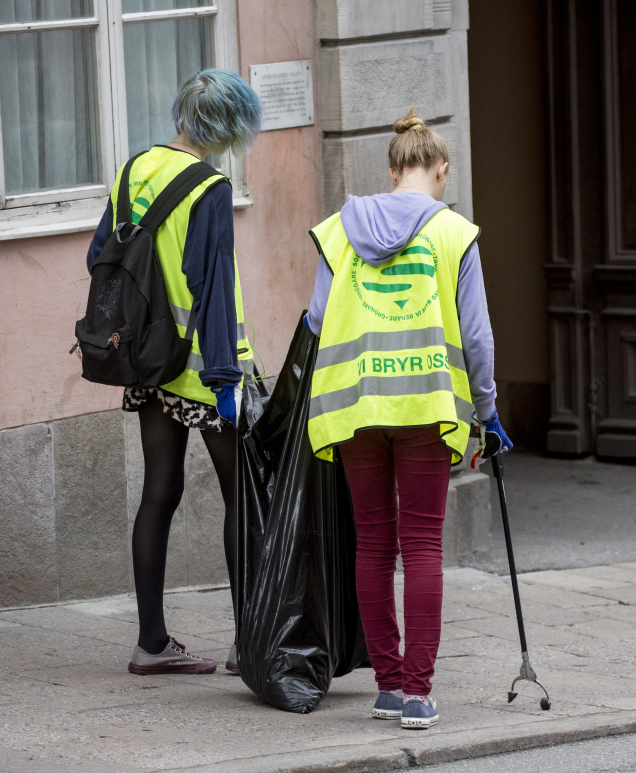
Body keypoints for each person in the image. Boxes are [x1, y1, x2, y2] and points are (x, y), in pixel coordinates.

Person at [304, 109, 512, 729]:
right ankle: (419, 694)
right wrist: (488, 411)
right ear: (441, 170)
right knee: (421, 546)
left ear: (392, 169)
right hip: (425, 406)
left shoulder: (341, 229)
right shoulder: (454, 233)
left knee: (374, 542)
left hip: (357, 407)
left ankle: (388, 687)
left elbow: (316, 319)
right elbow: (477, 336)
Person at [85, 69, 261, 676]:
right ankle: (249, 644)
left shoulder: (134, 169)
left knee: (160, 491)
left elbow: (98, 255)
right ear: (226, 125)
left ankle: (151, 643)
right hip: (200, 368)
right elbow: (212, 288)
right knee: (243, 497)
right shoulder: (209, 188)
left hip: (146, 359)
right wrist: (225, 380)